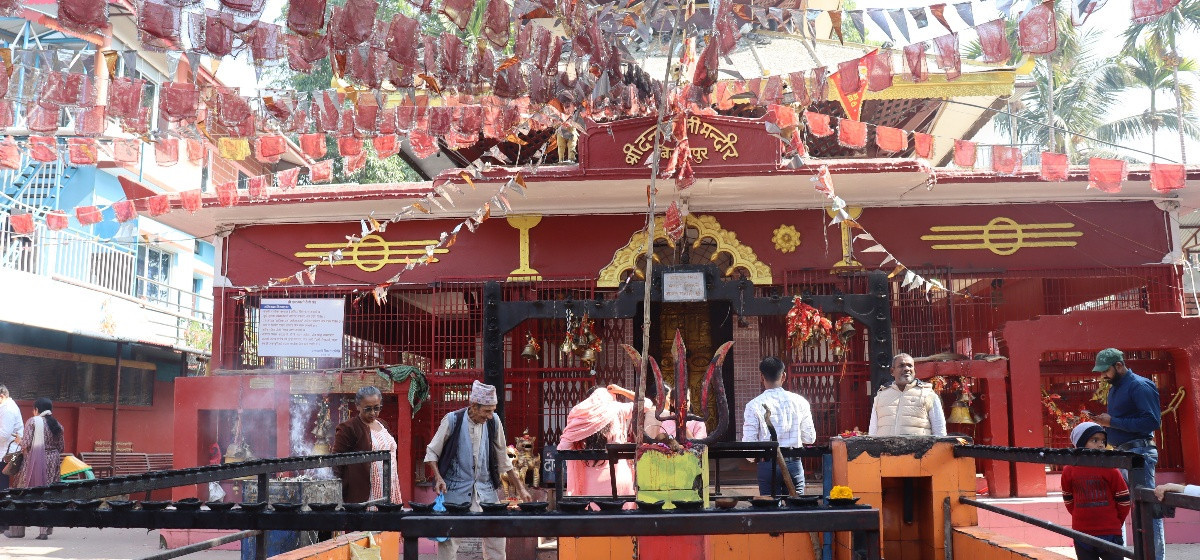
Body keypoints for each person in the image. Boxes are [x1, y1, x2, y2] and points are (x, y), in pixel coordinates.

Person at [425, 380, 532, 560]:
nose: (490, 415)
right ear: (474, 406)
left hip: (485, 490)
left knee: (497, 539)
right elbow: (431, 452)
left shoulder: (494, 421)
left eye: (493, 410)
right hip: (455, 491)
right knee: (449, 543)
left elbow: (503, 458)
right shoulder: (452, 420)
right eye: (487, 411)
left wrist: (521, 488)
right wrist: (439, 478)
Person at [1082, 348, 1163, 560]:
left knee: (1147, 509)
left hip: (1139, 453)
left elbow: (1152, 421)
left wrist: (1113, 422)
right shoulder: (1115, 388)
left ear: (1119, 365)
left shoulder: (1140, 385)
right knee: (1124, 506)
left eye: (1105, 371)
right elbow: (1119, 422)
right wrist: (1103, 423)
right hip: (1122, 453)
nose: (1103, 376)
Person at [557, 384, 656, 499]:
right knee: (621, 508)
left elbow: (563, 448)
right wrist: (621, 390)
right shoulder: (617, 408)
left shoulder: (580, 414)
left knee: (592, 509)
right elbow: (647, 403)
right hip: (619, 474)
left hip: (590, 478)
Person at [742, 356, 817, 495]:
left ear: (762, 377)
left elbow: (749, 446)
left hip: (767, 464)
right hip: (793, 463)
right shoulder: (800, 402)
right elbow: (809, 438)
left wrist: (754, 459)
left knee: (770, 506)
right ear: (784, 376)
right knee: (796, 505)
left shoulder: (753, 405)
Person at [1062, 422, 1131, 560]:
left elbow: (1123, 500)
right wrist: (1079, 516)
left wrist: (1115, 523)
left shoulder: (1110, 469)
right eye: (1094, 440)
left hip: (1110, 533)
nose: (1100, 445)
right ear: (1081, 443)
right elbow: (1068, 499)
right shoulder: (1069, 470)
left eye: (1103, 441)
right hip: (1082, 534)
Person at [6, 398, 64, 540]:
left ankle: (17, 530)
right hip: (53, 462)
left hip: (34, 462)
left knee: (21, 492)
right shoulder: (58, 425)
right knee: (48, 494)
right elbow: (61, 448)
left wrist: (19, 441)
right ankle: (44, 531)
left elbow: (26, 445)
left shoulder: (33, 422)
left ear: (36, 409)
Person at [332, 386, 402, 505]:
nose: (373, 413)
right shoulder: (348, 428)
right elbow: (336, 462)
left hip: (389, 486)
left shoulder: (383, 424)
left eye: (377, 408)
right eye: (368, 409)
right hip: (365, 492)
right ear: (358, 406)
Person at [868, 353, 947, 437]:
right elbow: (873, 431)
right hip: (885, 446)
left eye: (910, 366)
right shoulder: (880, 396)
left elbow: (939, 430)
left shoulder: (928, 394)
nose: (906, 369)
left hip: (919, 446)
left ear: (915, 370)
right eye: (901, 366)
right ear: (892, 371)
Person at [0, 385, 23, 492]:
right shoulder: (6, 407)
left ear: (1, 396)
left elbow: (4, 434)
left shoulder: (8, 409)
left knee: (2, 478)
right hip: (7, 450)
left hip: (7, 453)